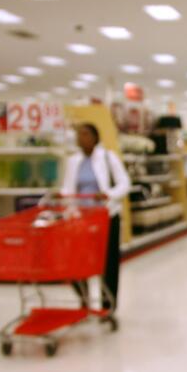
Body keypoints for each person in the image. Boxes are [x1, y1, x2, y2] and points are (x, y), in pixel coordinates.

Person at [60, 123, 131, 309]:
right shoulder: (73, 161)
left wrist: (108, 194)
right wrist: (65, 205)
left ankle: (108, 304)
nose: (80, 138)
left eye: (84, 134)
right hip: (81, 218)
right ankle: (83, 299)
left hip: (106, 217)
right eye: (78, 134)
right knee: (78, 260)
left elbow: (124, 183)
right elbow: (68, 188)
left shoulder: (108, 157)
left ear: (94, 137)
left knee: (108, 263)